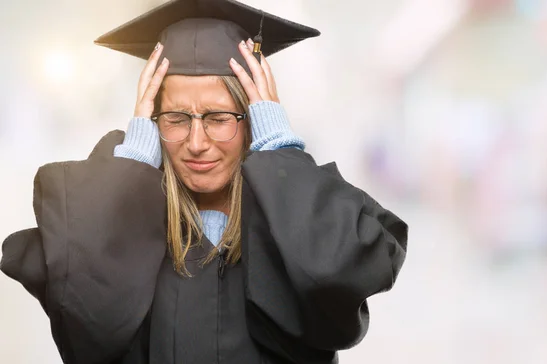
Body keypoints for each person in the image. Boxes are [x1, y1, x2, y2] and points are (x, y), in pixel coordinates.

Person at [0, 0, 408, 363]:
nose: (197, 144)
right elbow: (86, 325)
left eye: (218, 118)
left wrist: (278, 149)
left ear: (254, 122)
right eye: (175, 119)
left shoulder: (288, 227)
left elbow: (338, 275)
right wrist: (137, 157)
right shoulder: (127, 229)